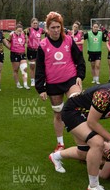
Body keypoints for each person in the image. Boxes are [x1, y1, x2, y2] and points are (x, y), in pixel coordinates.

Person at [48, 73, 110, 190]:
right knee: (97, 142)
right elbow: (92, 122)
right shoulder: (106, 94)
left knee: (84, 153)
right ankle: (93, 186)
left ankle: (55, 156)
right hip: (72, 112)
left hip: (84, 115)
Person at [36, 11, 86, 152]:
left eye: (58, 27)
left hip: (70, 80)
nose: (56, 30)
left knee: (78, 108)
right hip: (53, 84)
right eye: (53, 27)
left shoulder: (69, 40)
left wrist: (80, 76)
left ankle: (83, 144)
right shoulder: (43, 45)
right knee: (58, 114)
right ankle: (60, 144)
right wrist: (41, 88)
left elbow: (80, 59)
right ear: (47, 28)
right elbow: (39, 68)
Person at [6, 23, 29, 89]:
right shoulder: (12, 35)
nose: (19, 32)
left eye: (20, 31)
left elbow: (26, 43)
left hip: (22, 54)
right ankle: (18, 84)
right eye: (18, 31)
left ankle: (25, 84)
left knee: (24, 69)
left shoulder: (24, 35)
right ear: (15, 30)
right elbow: (7, 42)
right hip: (14, 54)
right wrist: (11, 48)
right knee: (16, 70)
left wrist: (27, 40)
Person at [25, 17, 43, 87]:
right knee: (32, 66)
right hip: (31, 50)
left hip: (39, 50)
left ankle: (39, 80)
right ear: (31, 24)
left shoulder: (41, 30)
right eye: (34, 23)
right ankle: (33, 81)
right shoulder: (28, 30)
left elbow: (48, 32)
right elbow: (20, 33)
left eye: (36, 23)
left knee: (40, 66)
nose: (35, 24)